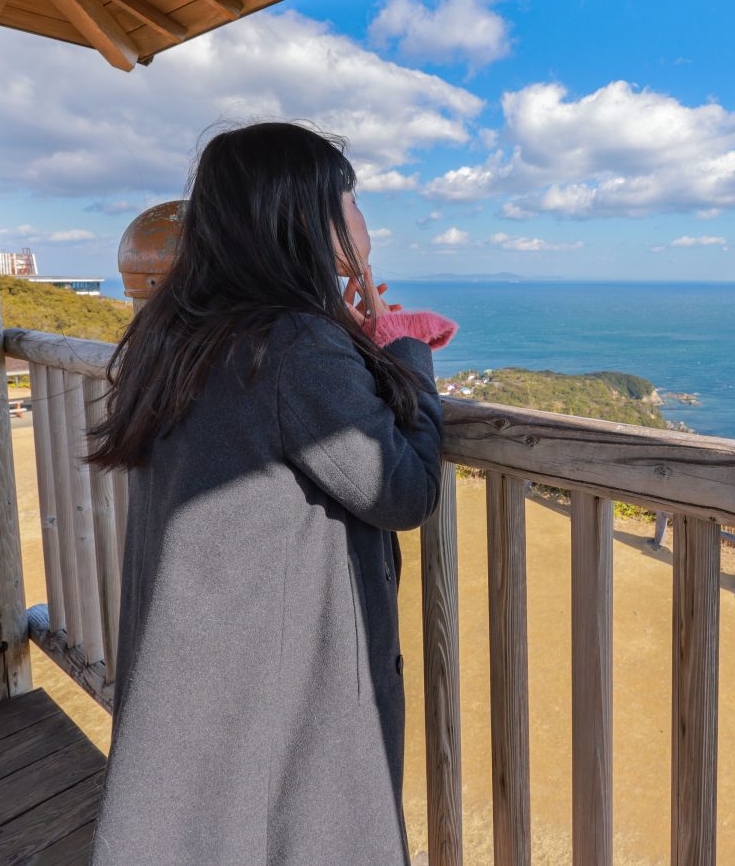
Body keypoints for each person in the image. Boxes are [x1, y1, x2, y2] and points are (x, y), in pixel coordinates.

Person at [84, 121, 457, 865]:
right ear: (304, 215)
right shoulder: (293, 347)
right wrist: (403, 351)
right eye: (349, 200)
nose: (363, 220)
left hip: (200, 679)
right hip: (281, 697)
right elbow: (405, 490)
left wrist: (349, 339)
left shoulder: (176, 331)